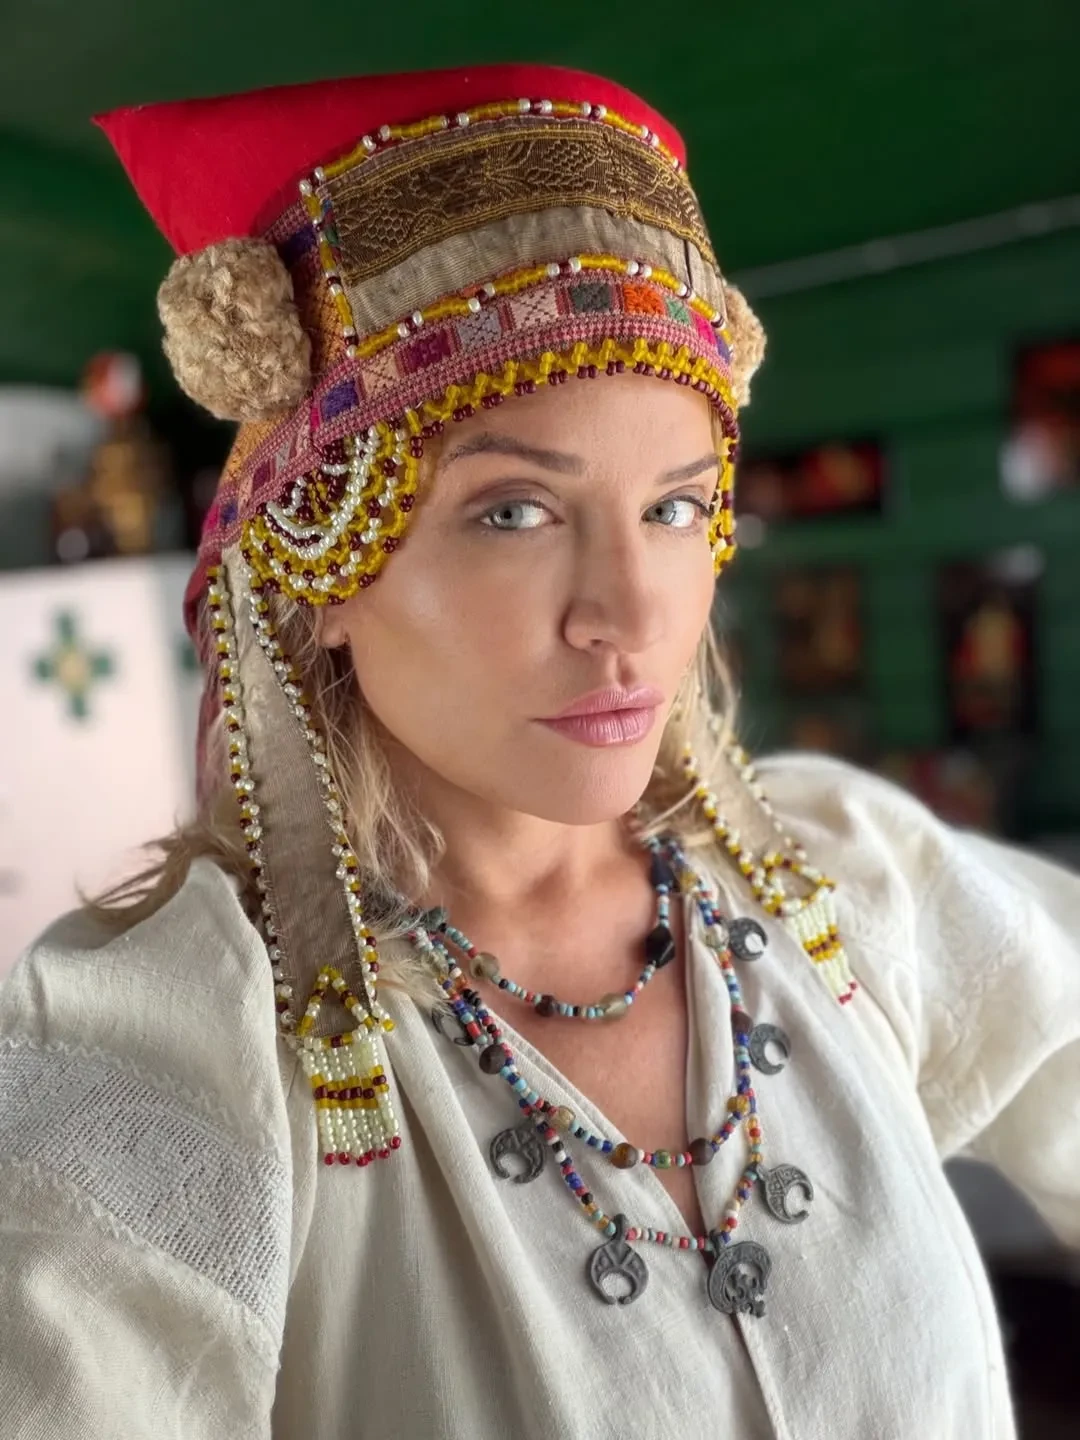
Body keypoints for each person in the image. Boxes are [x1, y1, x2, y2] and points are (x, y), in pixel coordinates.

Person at [0, 63, 1077, 1440]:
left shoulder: (847, 887)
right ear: (321, 562)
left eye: (675, 509)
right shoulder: (183, 1053)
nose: (628, 615)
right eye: (514, 512)